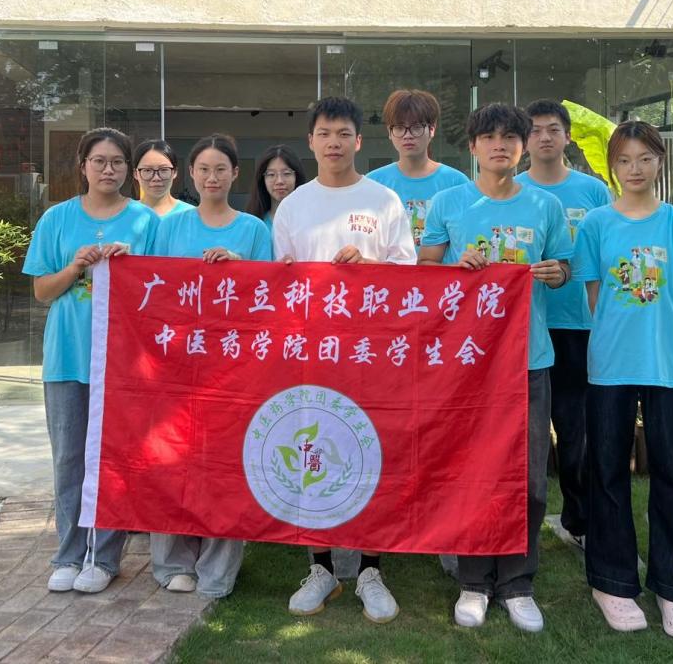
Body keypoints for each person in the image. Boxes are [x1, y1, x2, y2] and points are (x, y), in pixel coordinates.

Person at [418, 103, 572, 635]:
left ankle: (517, 583)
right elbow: (424, 271)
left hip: (528, 359)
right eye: (489, 137)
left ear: (523, 146)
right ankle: (473, 582)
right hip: (468, 363)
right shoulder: (449, 202)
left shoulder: (545, 205)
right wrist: (453, 268)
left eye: (510, 137)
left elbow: (564, 267)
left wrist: (555, 273)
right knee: (471, 472)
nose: (500, 145)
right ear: (473, 146)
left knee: (529, 477)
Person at [272, 95, 415, 624]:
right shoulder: (294, 206)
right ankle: (321, 567)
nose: (333, 142)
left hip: (370, 353)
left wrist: (370, 264)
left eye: (343, 133)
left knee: (369, 453)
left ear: (358, 140)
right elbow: (280, 285)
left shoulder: (384, 200)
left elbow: (408, 278)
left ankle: (372, 570)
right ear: (311, 141)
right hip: (312, 354)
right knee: (312, 451)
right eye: (324, 133)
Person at [572, 120, 673, 640]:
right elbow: (595, 298)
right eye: (625, 160)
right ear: (612, 166)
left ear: (659, 162)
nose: (635, 169)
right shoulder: (596, 225)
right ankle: (612, 582)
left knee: (672, 474)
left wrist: (670, 339)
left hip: (667, 367)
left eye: (645, 159)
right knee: (607, 471)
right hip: (610, 365)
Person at [22, 127, 159, 595]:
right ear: (82, 166)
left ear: (129, 169)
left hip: (124, 362)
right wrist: (75, 266)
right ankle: (67, 554)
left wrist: (132, 266)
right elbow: (42, 291)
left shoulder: (146, 221)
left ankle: (103, 557)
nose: (108, 169)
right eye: (99, 161)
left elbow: (162, 291)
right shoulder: (56, 219)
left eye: (117, 162)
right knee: (69, 459)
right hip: (67, 356)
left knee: (114, 459)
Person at [150, 134, 272, 599]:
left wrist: (240, 268)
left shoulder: (253, 230)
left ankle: (218, 568)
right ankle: (172, 562)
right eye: (203, 169)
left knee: (226, 465)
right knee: (172, 461)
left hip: (233, 368)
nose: (212, 177)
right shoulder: (170, 228)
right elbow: (152, 289)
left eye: (221, 169)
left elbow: (271, 298)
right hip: (178, 364)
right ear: (191, 174)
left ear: (236, 174)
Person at [516, 99, 612, 551]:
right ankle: (516, 526)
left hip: (580, 327)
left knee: (577, 430)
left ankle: (581, 521)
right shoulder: (513, 191)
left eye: (553, 129)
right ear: (524, 140)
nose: (544, 137)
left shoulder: (593, 192)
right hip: (524, 331)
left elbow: (608, 255)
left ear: (568, 136)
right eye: (535, 130)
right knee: (521, 437)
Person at [367, 89, 470, 248]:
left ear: (432, 129)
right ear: (390, 132)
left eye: (416, 127)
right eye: (399, 127)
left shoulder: (456, 182)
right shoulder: (373, 182)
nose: (407, 135)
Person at [246, 144, 306, 229]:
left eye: (286, 173)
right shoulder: (253, 224)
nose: (279, 181)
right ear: (262, 179)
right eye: (271, 174)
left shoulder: (309, 219)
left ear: (297, 177)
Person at [131, 139, 194, 218]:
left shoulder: (192, 216)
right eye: (147, 170)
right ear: (135, 174)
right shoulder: (125, 215)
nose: (156, 178)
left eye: (163, 170)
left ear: (175, 172)